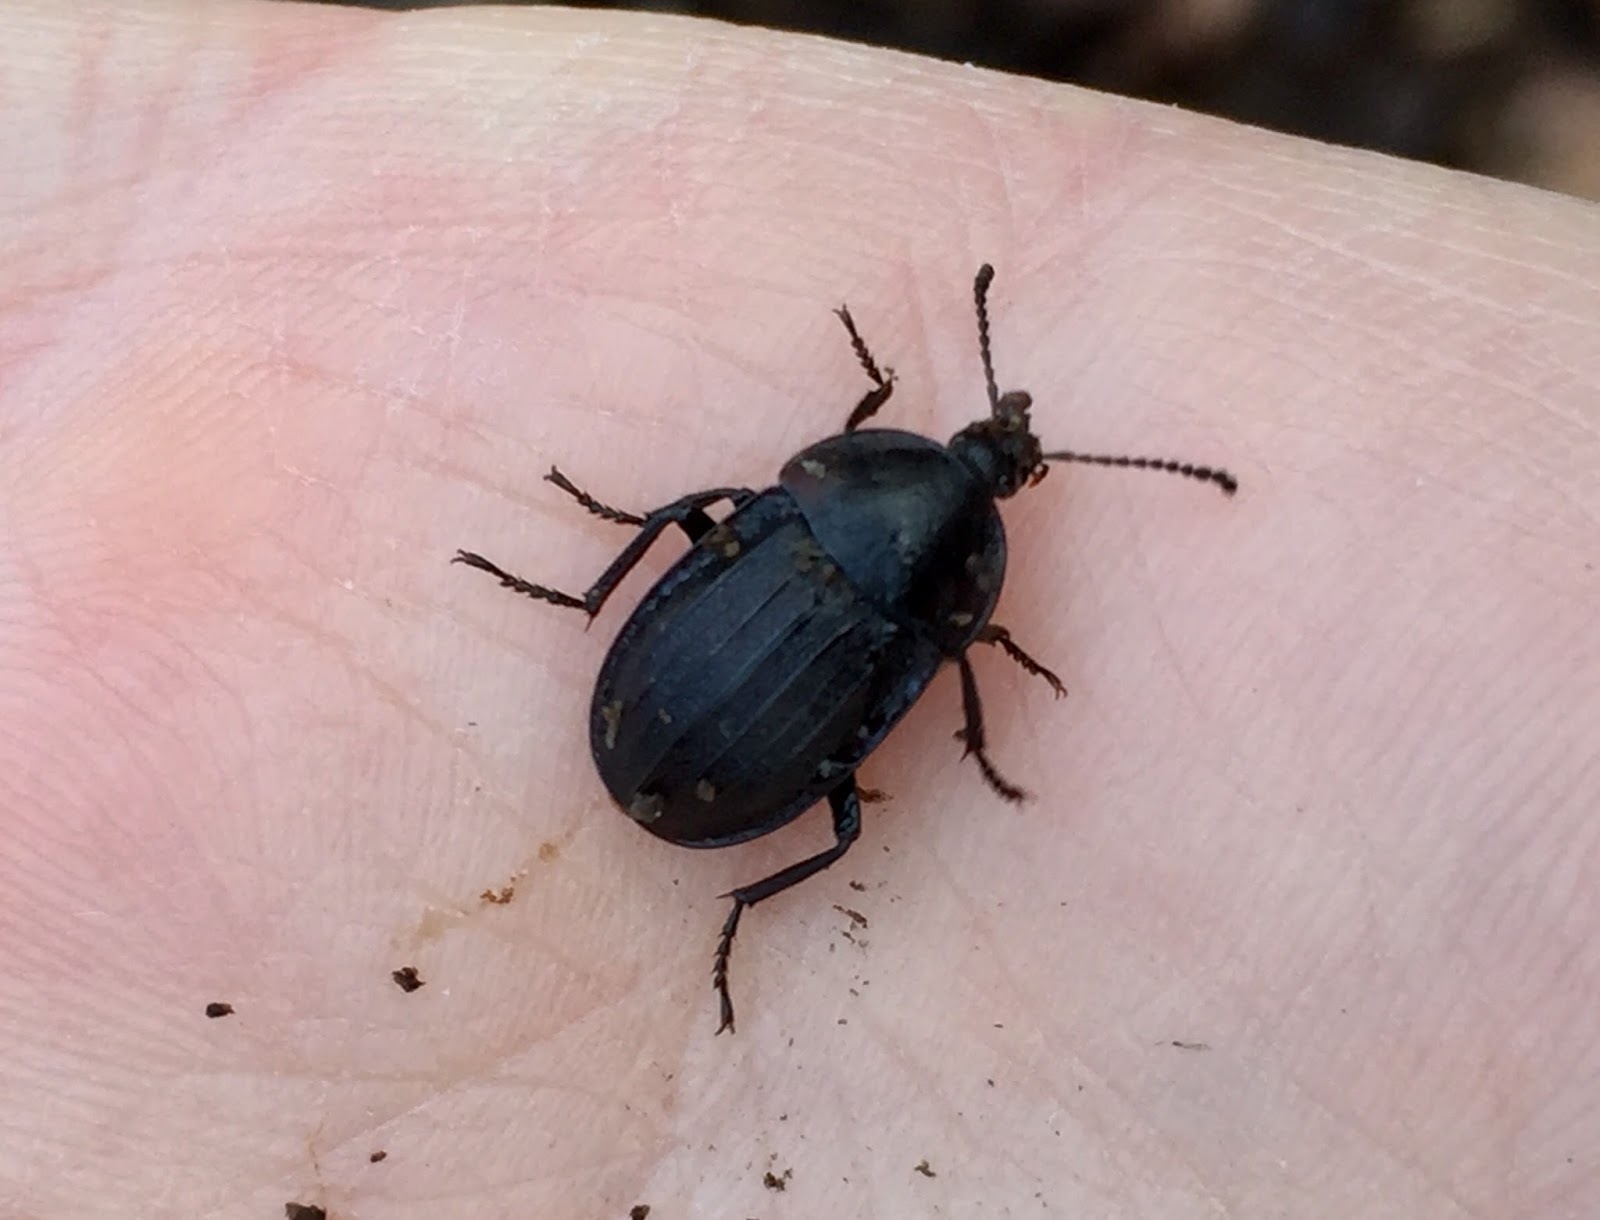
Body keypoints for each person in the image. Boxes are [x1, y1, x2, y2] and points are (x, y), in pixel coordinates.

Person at [2, 3, 1597, 1216]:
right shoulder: (924, 583)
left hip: (684, 710)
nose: (995, 458)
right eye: (987, 455)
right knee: (836, 815)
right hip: (724, 751)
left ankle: (600, 615)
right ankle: (655, 754)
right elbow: (931, 635)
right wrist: (968, 689)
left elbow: (860, 548)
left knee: (785, 674)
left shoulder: (855, 517)